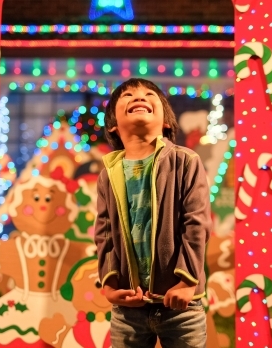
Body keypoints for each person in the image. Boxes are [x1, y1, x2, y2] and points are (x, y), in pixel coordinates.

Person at [94, 77, 211, 348]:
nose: (139, 97)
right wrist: (109, 284)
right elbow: (104, 234)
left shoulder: (185, 161)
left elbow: (196, 224)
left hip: (181, 304)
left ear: (166, 122)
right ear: (113, 125)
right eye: (128, 96)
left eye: (149, 94)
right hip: (128, 309)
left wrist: (186, 281)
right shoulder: (107, 175)